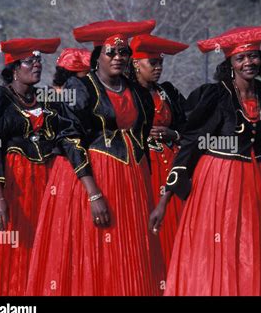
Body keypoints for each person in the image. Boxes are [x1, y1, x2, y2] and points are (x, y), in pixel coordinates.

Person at [26, 19, 166, 296]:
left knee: (132, 249)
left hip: (132, 181)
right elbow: (70, 139)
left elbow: (142, 132)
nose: (118, 57)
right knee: (97, 247)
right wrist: (93, 194)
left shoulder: (138, 92)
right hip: (93, 178)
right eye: (110, 52)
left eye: (123, 52)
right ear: (97, 56)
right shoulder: (81, 89)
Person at [149, 21, 261, 296]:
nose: (248, 62)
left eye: (253, 56)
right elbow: (190, 144)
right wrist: (165, 199)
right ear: (230, 63)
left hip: (258, 184)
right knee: (220, 250)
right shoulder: (214, 96)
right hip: (219, 183)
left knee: (255, 250)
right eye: (241, 57)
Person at [0, 37, 90, 295]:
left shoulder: (49, 99)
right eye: (30, 61)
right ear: (14, 68)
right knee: (11, 248)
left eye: (40, 60)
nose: (38, 65)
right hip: (11, 187)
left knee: (44, 245)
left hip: (47, 185)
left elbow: (68, 137)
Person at [129, 34, 188, 270]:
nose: (158, 68)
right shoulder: (126, 93)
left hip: (170, 167)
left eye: (161, 63)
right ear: (136, 63)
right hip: (141, 166)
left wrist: (173, 135)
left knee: (174, 226)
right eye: (153, 63)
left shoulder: (168, 92)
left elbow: (190, 127)